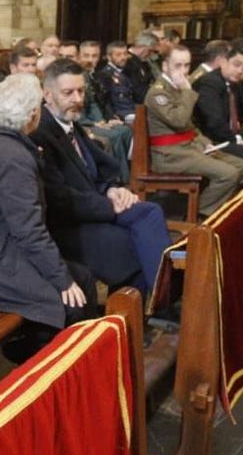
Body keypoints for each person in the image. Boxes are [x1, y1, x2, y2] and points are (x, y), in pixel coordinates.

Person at [0, 75, 99, 357]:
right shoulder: (13, 156)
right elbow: (28, 229)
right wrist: (61, 279)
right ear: (33, 116)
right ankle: (51, 373)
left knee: (82, 278)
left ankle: (40, 354)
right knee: (73, 296)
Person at [32, 60, 169, 297]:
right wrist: (109, 205)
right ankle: (150, 304)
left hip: (94, 205)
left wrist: (112, 190)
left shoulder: (70, 123)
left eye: (81, 91)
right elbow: (58, 198)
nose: (77, 98)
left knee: (150, 212)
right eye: (68, 93)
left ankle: (159, 297)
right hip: (67, 223)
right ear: (48, 95)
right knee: (127, 241)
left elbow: (93, 170)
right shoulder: (41, 132)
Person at [145, 44, 243, 216]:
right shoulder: (158, 93)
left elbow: (190, 127)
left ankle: (217, 207)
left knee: (242, 165)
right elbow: (179, 121)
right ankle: (201, 214)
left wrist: (206, 144)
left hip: (189, 147)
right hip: (170, 155)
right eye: (177, 65)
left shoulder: (179, 88)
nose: (184, 71)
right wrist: (187, 91)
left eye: (187, 65)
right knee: (228, 174)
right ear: (165, 66)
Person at [192, 41, 243, 177]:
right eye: (236, 65)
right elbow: (214, 122)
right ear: (223, 62)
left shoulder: (233, 83)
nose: (240, 71)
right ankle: (240, 195)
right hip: (210, 140)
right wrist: (237, 140)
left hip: (227, 135)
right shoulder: (210, 83)